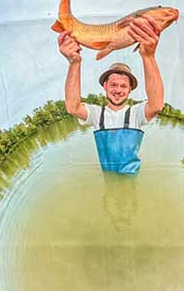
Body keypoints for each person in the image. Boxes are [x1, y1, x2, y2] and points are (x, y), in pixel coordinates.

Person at [59, 16, 167, 174]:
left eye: (124, 86)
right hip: (108, 180)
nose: (118, 90)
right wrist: (74, 63)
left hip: (131, 180)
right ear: (105, 86)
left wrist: (148, 56)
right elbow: (72, 107)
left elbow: (156, 104)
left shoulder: (136, 113)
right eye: (113, 84)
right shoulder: (97, 114)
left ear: (130, 89)